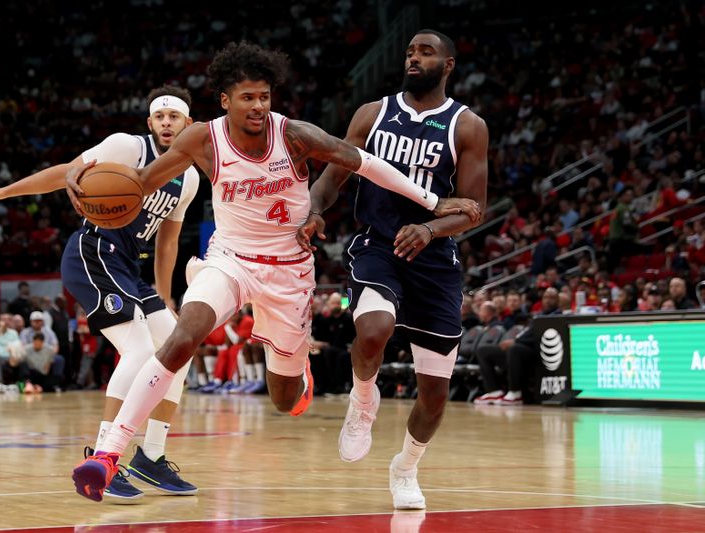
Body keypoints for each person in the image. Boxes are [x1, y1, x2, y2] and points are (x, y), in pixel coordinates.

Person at [69, 41, 481, 503]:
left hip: (288, 272)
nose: (259, 106)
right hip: (230, 259)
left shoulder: (296, 135)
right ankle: (108, 454)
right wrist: (80, 175)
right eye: (248, 97)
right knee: (183, 336)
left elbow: (367, 165)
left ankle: (297, 369)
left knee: (285, 399)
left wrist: (432, 203)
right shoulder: (201, 139)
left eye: (265, 96)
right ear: (225, 100)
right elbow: (139, 184)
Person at [0, 84, 201, 502]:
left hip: (128, 265)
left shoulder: (190, 180)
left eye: (175, 117)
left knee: (180, 345)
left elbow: (167, 243)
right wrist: (1, 192)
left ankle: (151, 455)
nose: (167, 123)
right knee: (140, 351)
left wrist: (165, 298)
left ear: (189, 124)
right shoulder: (127, 148)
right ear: (150, 123)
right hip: (92, 252)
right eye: (160, 117)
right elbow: (66, 172)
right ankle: (102, 454)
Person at [297, 30, 488, 510]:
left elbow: (472, 209)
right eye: (409, 51)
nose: (413, 58)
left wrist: (430, 230)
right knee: (374, 330)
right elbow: (332, 177)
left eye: (425, 52)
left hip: (436, 261)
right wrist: (315, 209)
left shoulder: (467, 126)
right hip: (378, 245)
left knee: (435, 394)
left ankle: (405, 467)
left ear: (448, 64)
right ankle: (363, 399)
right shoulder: (372, 114)